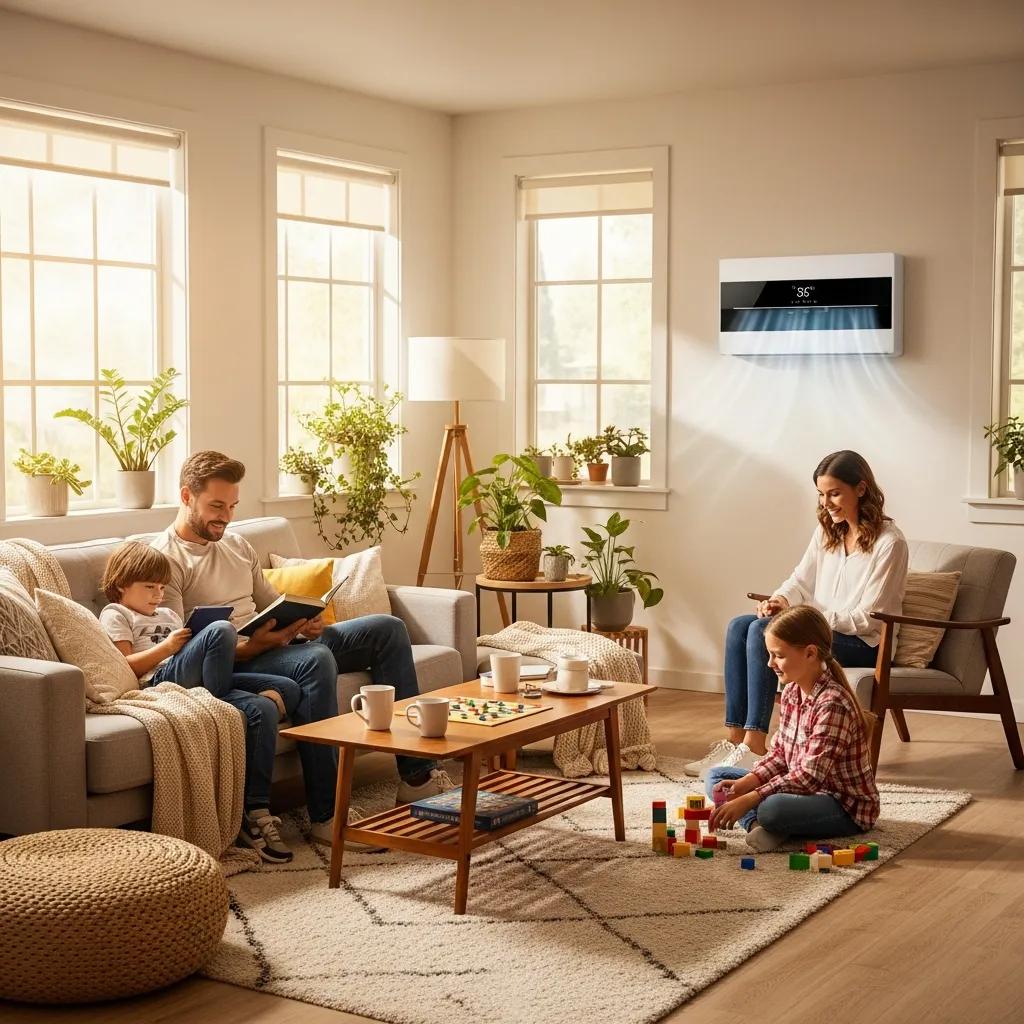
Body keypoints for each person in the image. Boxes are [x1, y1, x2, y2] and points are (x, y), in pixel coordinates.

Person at [150, 450, 453, 849]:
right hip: (234, 662)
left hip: (275, 644)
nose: (226, 517)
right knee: (316, 660)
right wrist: (253, 647)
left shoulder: (237, 545)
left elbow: (270, 602)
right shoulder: (163, 560)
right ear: (187, 496)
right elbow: (180, 650)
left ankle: (416, 776)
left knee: (387, 629)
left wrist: (303, 622)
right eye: (216, 506)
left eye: (233, 506)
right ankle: (328, 814)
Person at [686, 449, 907, 780]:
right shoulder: (828, 531)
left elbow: (869, 618)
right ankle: (735, 740)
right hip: (821, 631)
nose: (826, 503)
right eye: (821, 494)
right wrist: (780, 600)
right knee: (740, 625)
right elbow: (800, 581)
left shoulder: (890, 543)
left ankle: (755, 744)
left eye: (834, 494)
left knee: (762, 630)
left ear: (861, 488)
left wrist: (806, 617)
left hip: (865, 643)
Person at [98, 541, 301, 864]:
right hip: (160, 681)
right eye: (149, 587)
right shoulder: (116, 613)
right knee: (222, 629)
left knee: (284, 690)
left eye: (161, 587)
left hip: (196, 677)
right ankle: (224, 699)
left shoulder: (167, 613)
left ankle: (256, 810)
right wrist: (168, 647)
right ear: (121, 584)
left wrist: (192, 641)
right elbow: (126, 665)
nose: (157, 595)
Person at [706, 604, 880, 852]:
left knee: (771, 808)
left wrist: (751, 797)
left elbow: (809, 778)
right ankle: (759, 827)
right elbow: (780, 754)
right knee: (717, 778)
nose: (770, 663)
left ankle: (768, 822)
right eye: (769, 655)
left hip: (841, 805)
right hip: (800, 790)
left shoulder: (833, 703)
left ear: (810, 653)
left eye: (778, 655)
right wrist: (746, 783)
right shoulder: (790, 692)